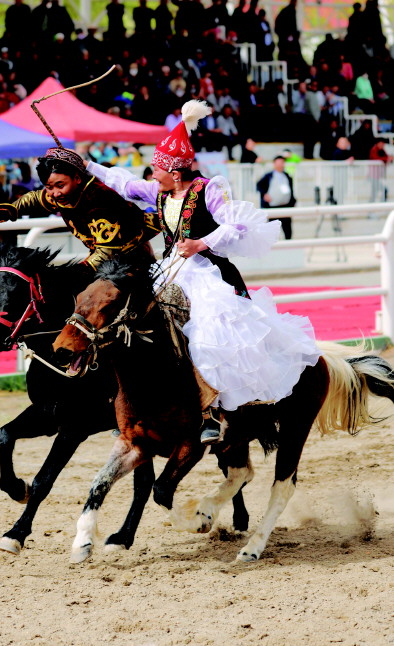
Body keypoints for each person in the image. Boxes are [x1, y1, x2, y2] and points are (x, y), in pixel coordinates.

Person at [84, 100, 320, 442]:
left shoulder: (209, 189)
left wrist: (200, 243)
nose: (151, 176)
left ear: (175, 173)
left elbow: (235, 226)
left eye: (156, 171)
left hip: (208, 272)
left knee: (209, 334)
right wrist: (87, 164)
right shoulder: (159, 193)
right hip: (170, 270)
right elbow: (125, 183)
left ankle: (211, 410)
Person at [0, 147, 161, 273]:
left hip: (130, 257)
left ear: (77, 178)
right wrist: (1, 213)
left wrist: (76, 272)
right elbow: (35, 198)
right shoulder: (62, 192)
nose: (55, 193)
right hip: (101, 257)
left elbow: (107, 251)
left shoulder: (99, 199)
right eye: (49, 186)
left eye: (60, 185)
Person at [256, 155, 296, 240]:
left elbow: (291, 190)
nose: (281, 165)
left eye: (282, 163)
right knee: (272, 231)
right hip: (273, 207)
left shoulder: (287, 176)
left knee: (287, 230)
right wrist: (264, 194)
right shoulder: (268, 176)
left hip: (285, 206)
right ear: (274, 164)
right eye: (279, 163)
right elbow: (259, 185)